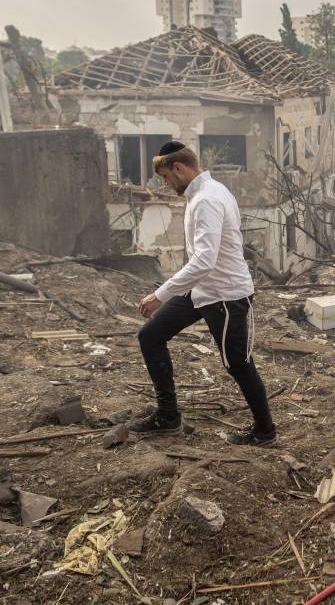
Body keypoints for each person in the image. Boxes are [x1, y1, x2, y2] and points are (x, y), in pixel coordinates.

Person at [133, 141, 276, 445]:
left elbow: (204, 260)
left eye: (165, 178)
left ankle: (265, 432)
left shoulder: (207, 200)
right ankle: (168, 417)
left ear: (179, 169)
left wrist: (161, 294)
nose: (166, 184)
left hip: (225, 295)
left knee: (238, 364)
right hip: (200, 290)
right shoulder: (206, 193)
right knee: (151, 336)